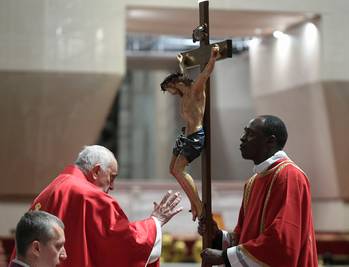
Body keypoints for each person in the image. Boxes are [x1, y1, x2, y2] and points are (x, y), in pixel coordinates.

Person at [10, 145, 182, 267]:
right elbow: (124, 243)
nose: (112, 186)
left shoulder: (52, 188)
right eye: (112, 177)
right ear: (96, 171)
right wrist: (155, 222)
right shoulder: (90, 196)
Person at [198, 115, 318, 266]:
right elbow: (244, 237)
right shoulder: (252, 182)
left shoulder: (289, 176)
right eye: (244, 132)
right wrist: (217, 236)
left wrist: (224, 257)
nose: (242, 138)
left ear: (270, 141)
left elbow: (282, 240)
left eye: (250, 134)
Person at [160, 45, 220, 221]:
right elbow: (183, 77)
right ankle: (194, 203)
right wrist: (182, 64)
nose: (170, 93)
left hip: (194, 136)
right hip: (185, 135)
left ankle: (199, 206)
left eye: (169, 89)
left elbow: (205, 73)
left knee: (179, 170)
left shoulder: (195, 90)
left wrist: (213, 57)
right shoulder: (184, 92)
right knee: (173, 169)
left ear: (174, 84)